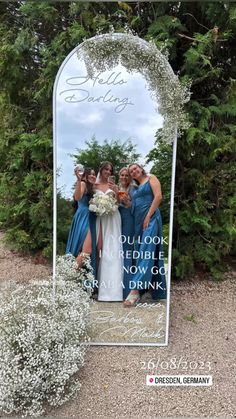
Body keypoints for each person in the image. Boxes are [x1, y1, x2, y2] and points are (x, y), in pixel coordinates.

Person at [124, 163, 167, 306]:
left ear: (141, 168)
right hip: (138, 223)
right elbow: (131, 206)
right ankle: (152, 290)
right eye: (131, 171)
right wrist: (124, 199)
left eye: (135, 168)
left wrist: (148, 216)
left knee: (145, 252)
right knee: (146, 253)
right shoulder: (135, 189)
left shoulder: (151, 178)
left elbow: (158, 197)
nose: (134, 171)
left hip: (151, 219)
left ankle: (135, 291)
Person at [95, 161, 123, 301]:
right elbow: (90, 201)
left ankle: (114, 292)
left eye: (110, 170)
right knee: (100, 249)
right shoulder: (95, 185)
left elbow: (119, 202)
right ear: (101, 169)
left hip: (113, 217)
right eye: (106, 169)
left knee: (113, 249)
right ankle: (100, 289)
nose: (108, 172)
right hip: (100, 219)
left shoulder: (115, 186)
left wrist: (117, 192)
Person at [66, 167, 97, 273]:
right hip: (83, 217)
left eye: (94, 174)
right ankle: (68, 275)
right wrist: (79, 180)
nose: (93, 176)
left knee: (85, 250)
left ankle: (72, 276)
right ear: (85, 175)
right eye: (91, 174)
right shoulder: (83, 184)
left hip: (92, 218)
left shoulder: (94, 188)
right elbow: (77, 197)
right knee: (87, 250)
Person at [118, 167, 136, 299]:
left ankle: (128, 290)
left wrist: (125, 200)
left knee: (126, 250)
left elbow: (131, 206)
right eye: (122, 175)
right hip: (117, 221)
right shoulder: (118, 188)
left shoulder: (133, 189)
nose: (124, 177)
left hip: (128, 220)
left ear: (130, 177)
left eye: (126, 175)